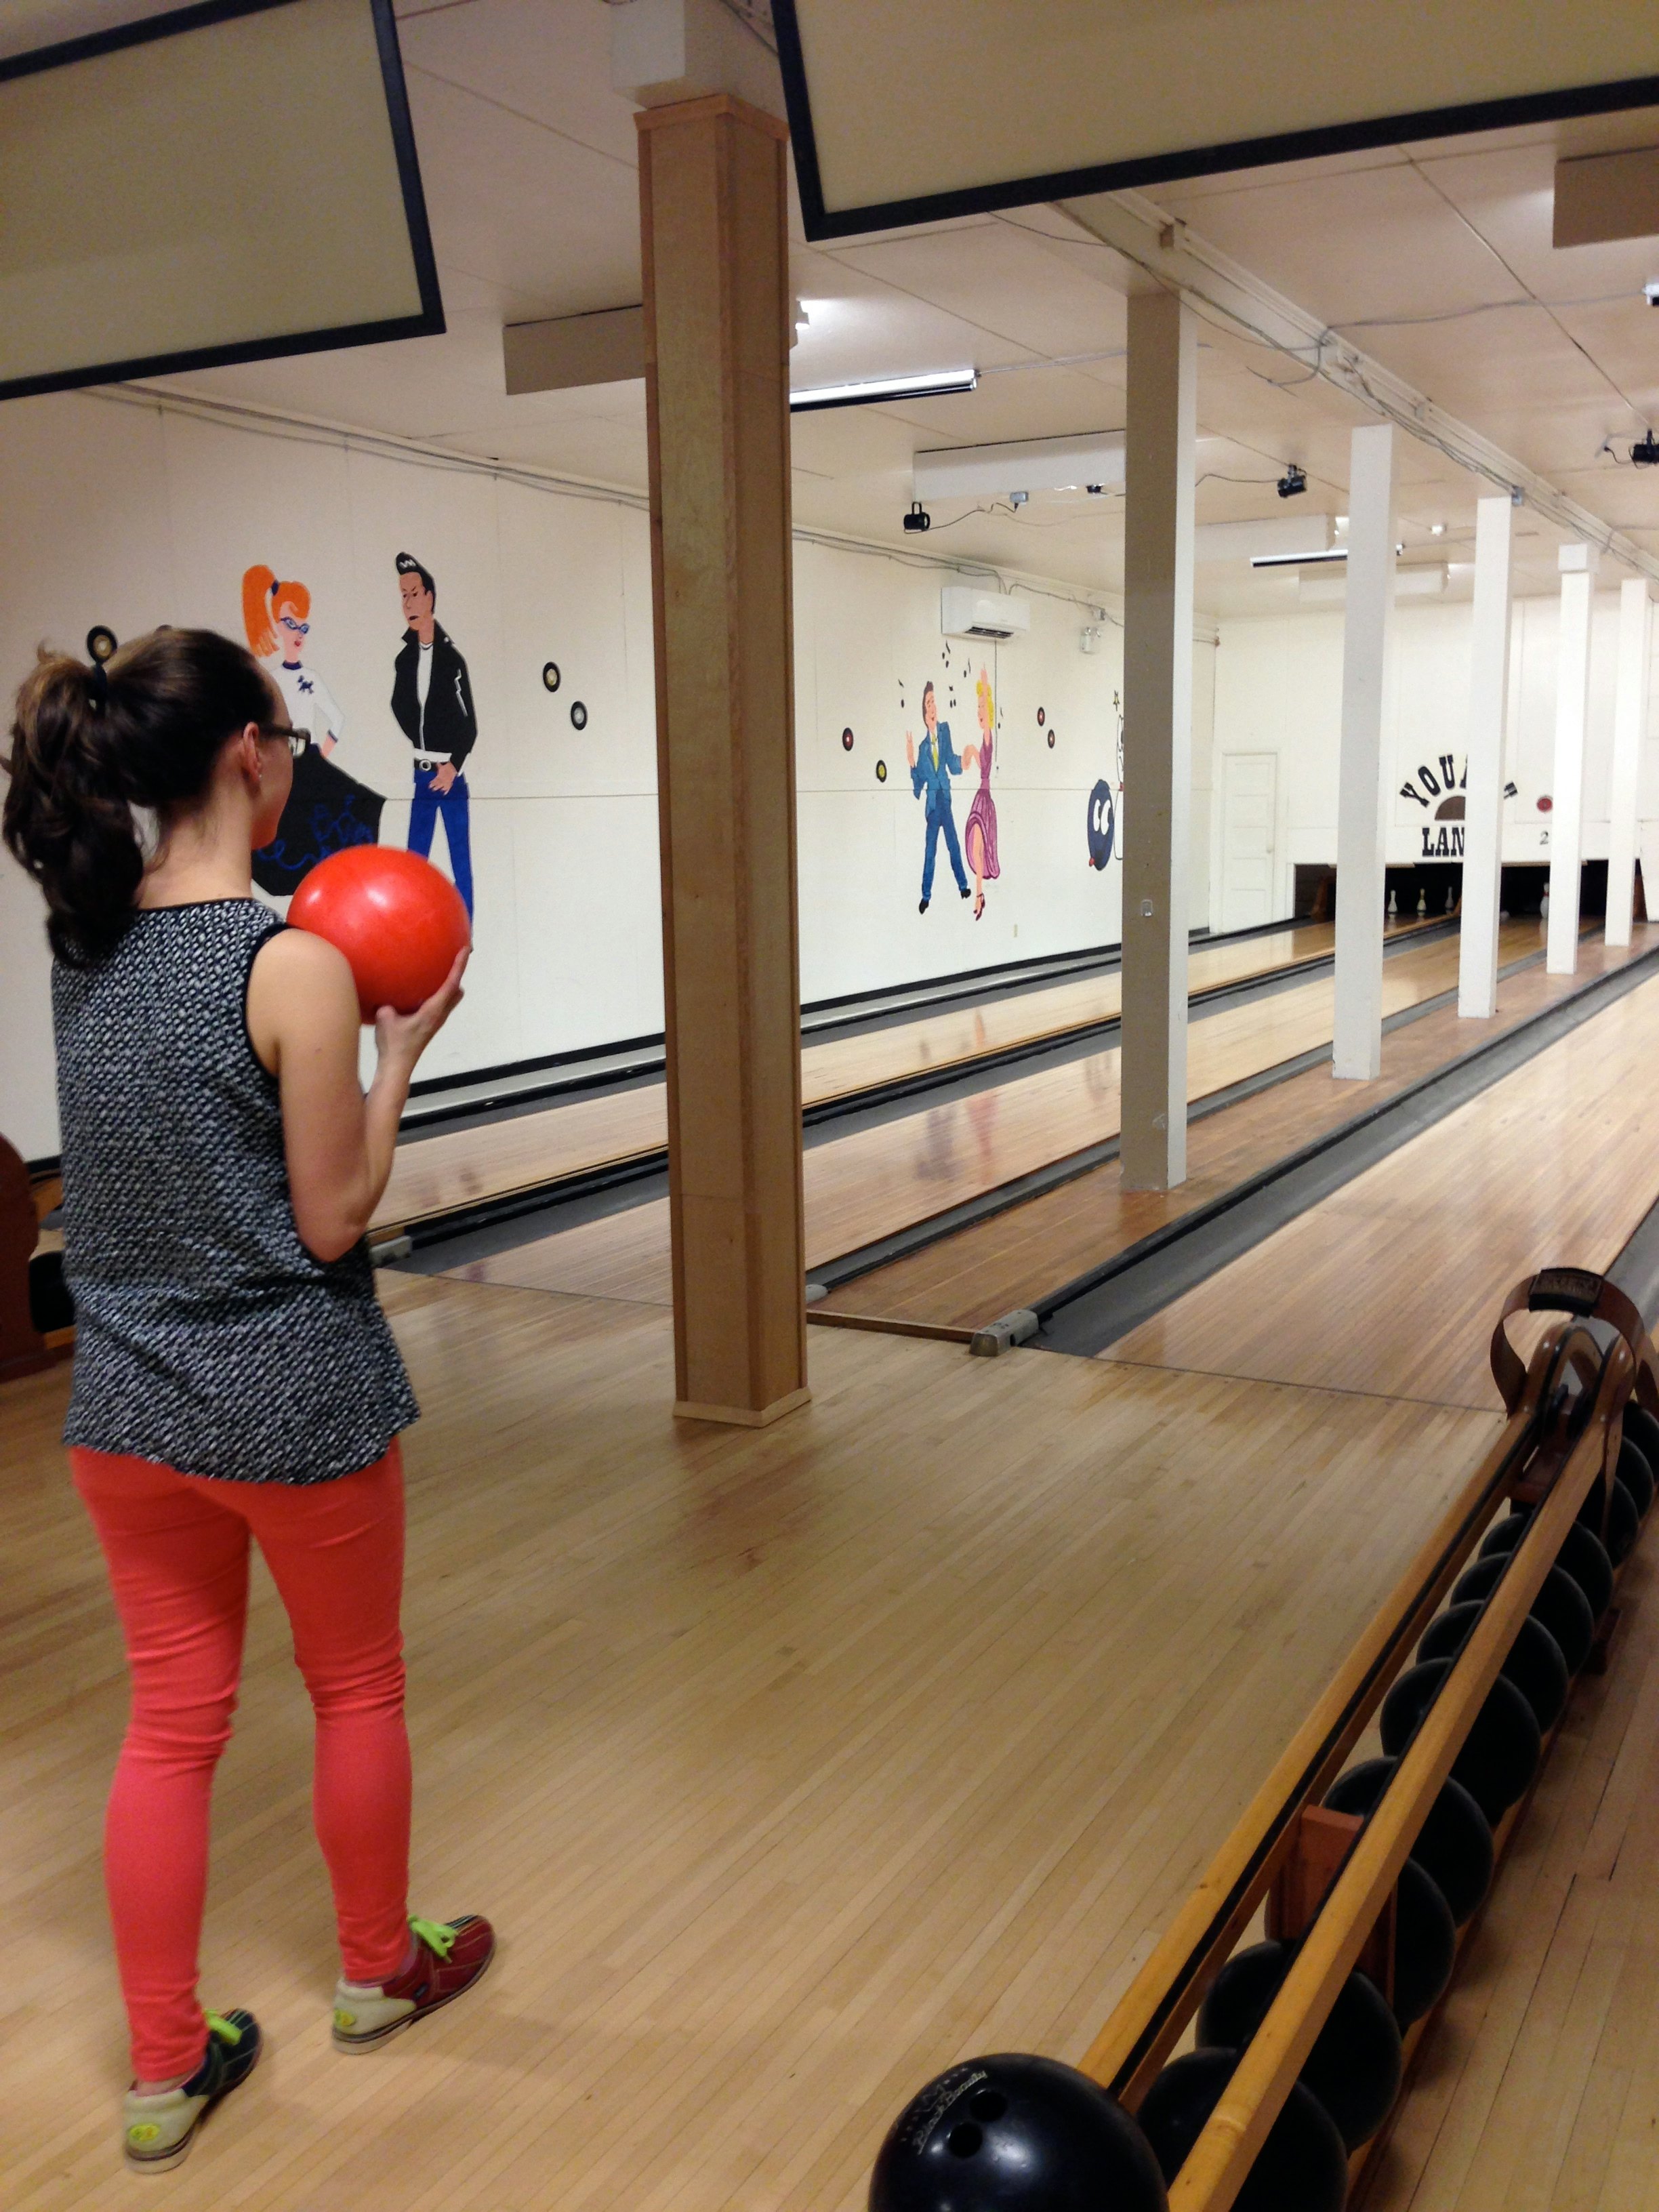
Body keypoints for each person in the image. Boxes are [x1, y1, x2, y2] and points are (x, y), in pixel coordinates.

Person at [1, 628, 492, 2175]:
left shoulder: (79, 952)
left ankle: (165, 2069)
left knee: (170, 1727)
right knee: (356, 1691)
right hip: (292, 1403)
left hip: (128, 1414)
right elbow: (331, 1214)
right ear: (247, 755)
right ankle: (374, 1973)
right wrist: (398, 1053)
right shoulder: (295, 959)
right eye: (285, 741)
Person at [242, 565, 384, 899]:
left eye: (302, 625)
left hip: (307, 760)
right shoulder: (269, 681)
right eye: (291, 623)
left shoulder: (309, 678)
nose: (298, 632)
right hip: (284, 763)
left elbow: (337, 719)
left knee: (358, 803)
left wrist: (321, 753)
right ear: (275, 624)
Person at [391, 552, 476, 920]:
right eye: (403, 596)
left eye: (414, 594)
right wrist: (423, 746)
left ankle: (466, 935)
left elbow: (469, 724)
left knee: (460, 859)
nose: (408, 603)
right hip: (422, 774)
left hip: (449, 776)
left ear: (429, 597)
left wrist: (452, 765)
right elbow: (400, 706)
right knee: (414, 862)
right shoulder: (404, 660)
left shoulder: (451, 660)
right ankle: (411, 932)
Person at [904, 678, 970, 915]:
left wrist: (962, 762)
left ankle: (963, 885)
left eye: (933, 702)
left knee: (954, 845)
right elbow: (918, 785)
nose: (932, 707)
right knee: (930, 851)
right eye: (928, 704)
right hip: (932, 806)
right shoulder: (922, 749)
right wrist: (912, 763)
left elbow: (951, 761)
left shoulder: (944, 731)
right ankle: (926, 895)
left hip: (945, 799)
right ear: (924, 715)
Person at [961, 668, 1001, 920]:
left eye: (982, 710)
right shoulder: (982, 743)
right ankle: (979, 894)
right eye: (977, 709)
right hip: (980, 798)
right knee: (976, 848)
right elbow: (978, 762)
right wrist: (970, 752)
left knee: (979, 848)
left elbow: (985, 735)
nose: (979, 714)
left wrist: (985, 687)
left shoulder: (989, 737)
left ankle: (979, 895)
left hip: (985, 802)